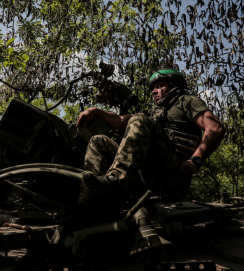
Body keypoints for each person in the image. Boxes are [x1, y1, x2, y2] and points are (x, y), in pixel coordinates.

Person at [76, 68, 225, 209]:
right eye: (153, 88)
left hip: (171, 176)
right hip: (146, 175)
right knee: (98, 141)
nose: (154, 91)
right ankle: (88, 202)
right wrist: (94, 110)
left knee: (139, 118)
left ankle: (116, 181)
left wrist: (195, 160)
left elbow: (215, 128)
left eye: (160, 86)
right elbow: (120, 120)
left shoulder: (186, 101)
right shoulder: (153, 112)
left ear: (174, 86)